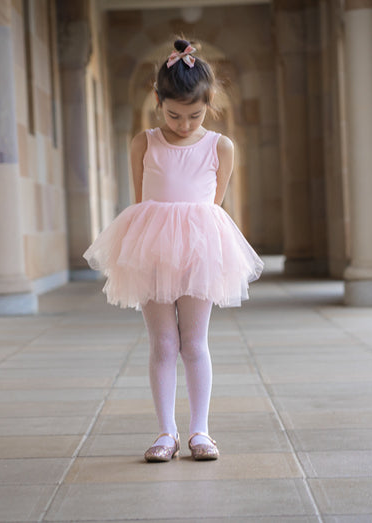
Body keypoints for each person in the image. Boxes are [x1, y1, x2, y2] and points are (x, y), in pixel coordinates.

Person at [83, 39, 263, 462]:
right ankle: (166, 432)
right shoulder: (143, 142)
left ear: (209, 104)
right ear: (157, 100)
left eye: (194, 116)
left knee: (194, 342)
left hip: (200, 248)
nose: (184, 125)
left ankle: (201, 431)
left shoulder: (220, 146)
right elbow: (142, 197)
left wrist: (193, 238)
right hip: (152, 248)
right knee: (163, 343)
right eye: (174, 115)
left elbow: (213, 202)